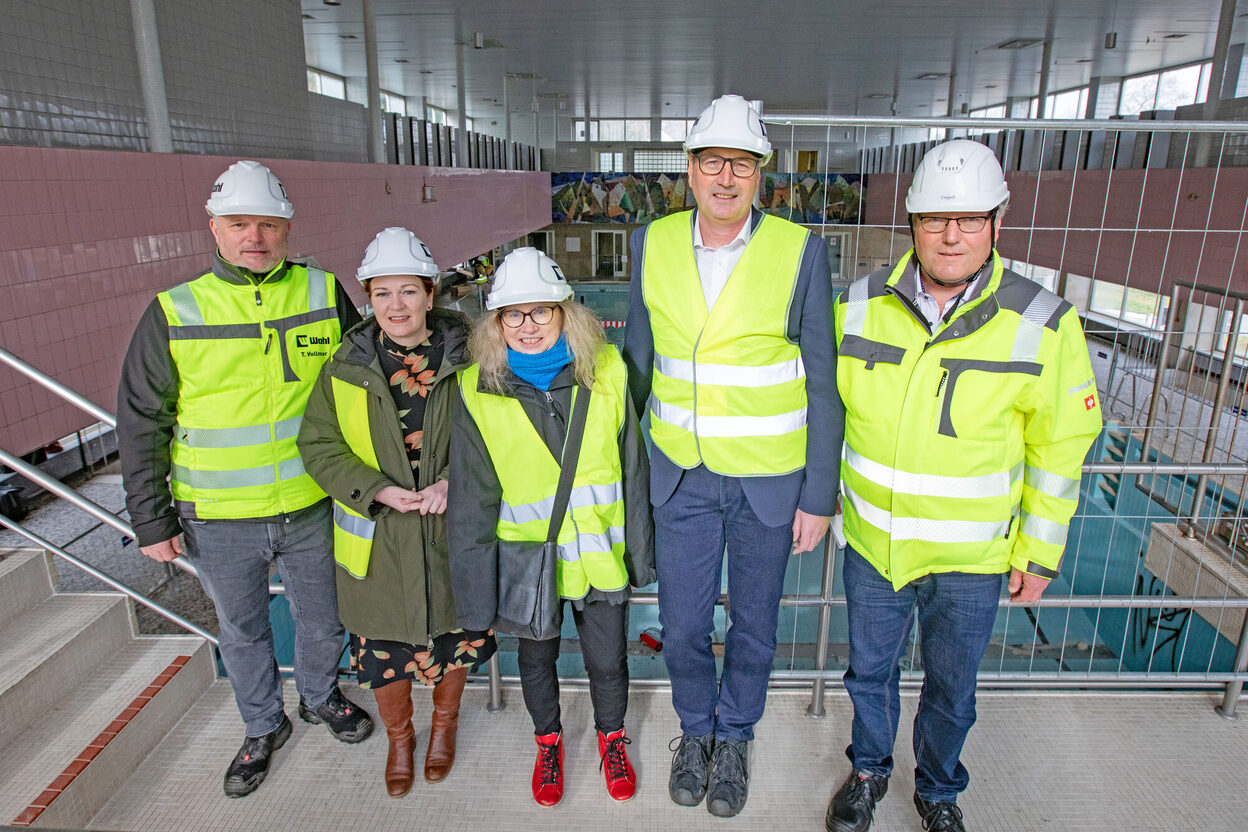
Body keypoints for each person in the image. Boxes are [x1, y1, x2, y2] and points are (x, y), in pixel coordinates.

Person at [825, 139, 1102, 832]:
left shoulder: (1043, 322)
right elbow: (824, 414)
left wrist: (1038, 552)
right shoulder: (857, 305)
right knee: (869, 678)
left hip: (971, 561)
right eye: (934, 220)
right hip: (873, 545)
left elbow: (1059, 449)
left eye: (970, 220)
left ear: (997, 225)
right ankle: (867, 773)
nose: (951, 235)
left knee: (952, 689)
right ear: (913, 224)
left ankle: (940, 790)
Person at [117, 160, 372, 799]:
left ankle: (320, 695)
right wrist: (152, 520)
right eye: (238, 225)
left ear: (286, 229)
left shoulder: (321, 292)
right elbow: (141, 421)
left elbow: (360, 383)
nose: (253, 237)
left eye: (266, 224)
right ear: (215, 229)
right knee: (244, 629)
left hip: (311, 502)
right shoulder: (174, 311)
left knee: (324, 618)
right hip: (219, 514)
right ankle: (262, 726)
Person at [622, 93, 842, 819]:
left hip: (768, 482)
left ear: (760, 176)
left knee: (753, 624)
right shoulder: (650, 243)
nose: (726, 177)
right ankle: (695, 731)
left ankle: (737, 737)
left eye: (741, 165)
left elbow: (823, 376)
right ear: (689, 170)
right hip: (680, 475)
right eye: (713, 162)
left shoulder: (799, 250)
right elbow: (638, 364)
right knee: (682, 626)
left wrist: (818, 494)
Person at [448, 247, 655, 807]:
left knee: (608, 659)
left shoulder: (607, 372)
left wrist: (641, 556)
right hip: (528, 561)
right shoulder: (477, 392)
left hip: (598, 554)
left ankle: (612, 738)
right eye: (512, 315)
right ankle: (548, 743)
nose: (527, 326)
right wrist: (473, 601)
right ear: (495, 323)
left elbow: (633, 469)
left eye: (541, 311)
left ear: (567, 313)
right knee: (536, 660)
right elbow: (471, 501)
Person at [297, 227, 497, 797]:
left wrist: (457, 481)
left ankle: (444, 729)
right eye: (382, 294)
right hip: (380, 535)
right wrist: (375, 490)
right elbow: (319, 445)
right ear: (368, 298)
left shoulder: (474, 355)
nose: (395, 306)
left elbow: (505, 433)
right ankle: (400, 738)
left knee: (454, 633)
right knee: (384, 647)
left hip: (452, 528)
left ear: (431, 294)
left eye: (408, 292)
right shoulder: (346, 365)